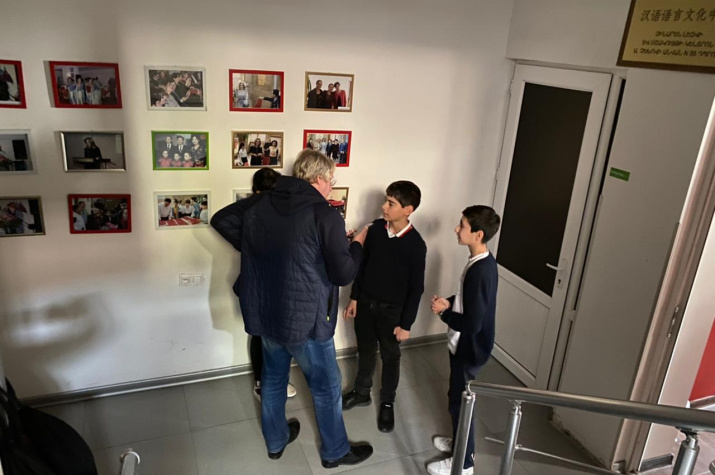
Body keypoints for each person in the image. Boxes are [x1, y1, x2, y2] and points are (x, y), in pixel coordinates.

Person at [211, 150, 374, 468]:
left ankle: (276, 441)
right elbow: (343, 273)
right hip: (307, 321)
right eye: (331, 180)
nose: (331, 186)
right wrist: (356, 244)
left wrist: (258, 247)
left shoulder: (262, 202)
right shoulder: (324, 214)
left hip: (267, 312)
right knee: (325, 386)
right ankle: (335, 452)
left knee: (273, 379)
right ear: (320, 178)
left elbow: (221, 219)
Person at [342, 181, 427, 433]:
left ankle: (387, 401)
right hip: (366, 304)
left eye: (391, 203)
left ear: (408, 209)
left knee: (390, 356)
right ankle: (361, 391)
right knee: (365, 350)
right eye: (385, 201)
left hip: (392, 313)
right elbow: (362, 266)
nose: (384, 207)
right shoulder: (376, 229)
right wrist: (355, 297)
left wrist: (406, 324)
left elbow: (416, 288)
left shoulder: (416, 244)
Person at [427, 205, 501, 475]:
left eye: (462, 226)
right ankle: (460, 444)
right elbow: (468, 301)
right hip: (464, 345)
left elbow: (472, 324)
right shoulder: (481, 262)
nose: (456, 229)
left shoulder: (480, 271)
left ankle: (464, 462)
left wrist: (443, 313)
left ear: (478, 234)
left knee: (461, 404)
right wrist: (450, 302)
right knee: (457, 398)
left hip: (469, 348)